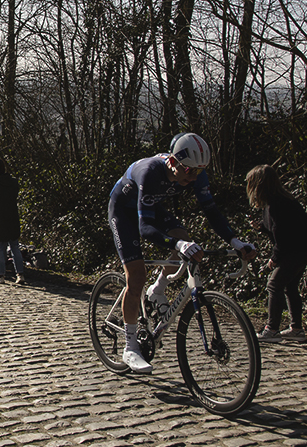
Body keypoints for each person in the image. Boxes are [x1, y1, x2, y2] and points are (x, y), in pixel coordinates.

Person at [108, 133, 256, 374]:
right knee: (136, 276)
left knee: (185, 241)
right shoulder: (149, 172)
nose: (193, 177)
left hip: (151, 205)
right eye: (189, 171)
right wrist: (177, 245)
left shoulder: (194, 172)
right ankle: (130, 346)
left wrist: (235, 241)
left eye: (199, 172)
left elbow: (212, 212)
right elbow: (145, 228)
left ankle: (158, 289)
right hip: (123, 211)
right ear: (174, 162)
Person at [246, 164, 307, 343]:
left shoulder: (277, 204)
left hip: (297, 251)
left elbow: (283, 236)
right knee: (290, 286)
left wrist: (275, 258)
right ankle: (296, 328)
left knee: (274, 285)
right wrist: (261, 228)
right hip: (305, 249)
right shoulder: (277, 201)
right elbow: (278, 230)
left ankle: (272, 329)